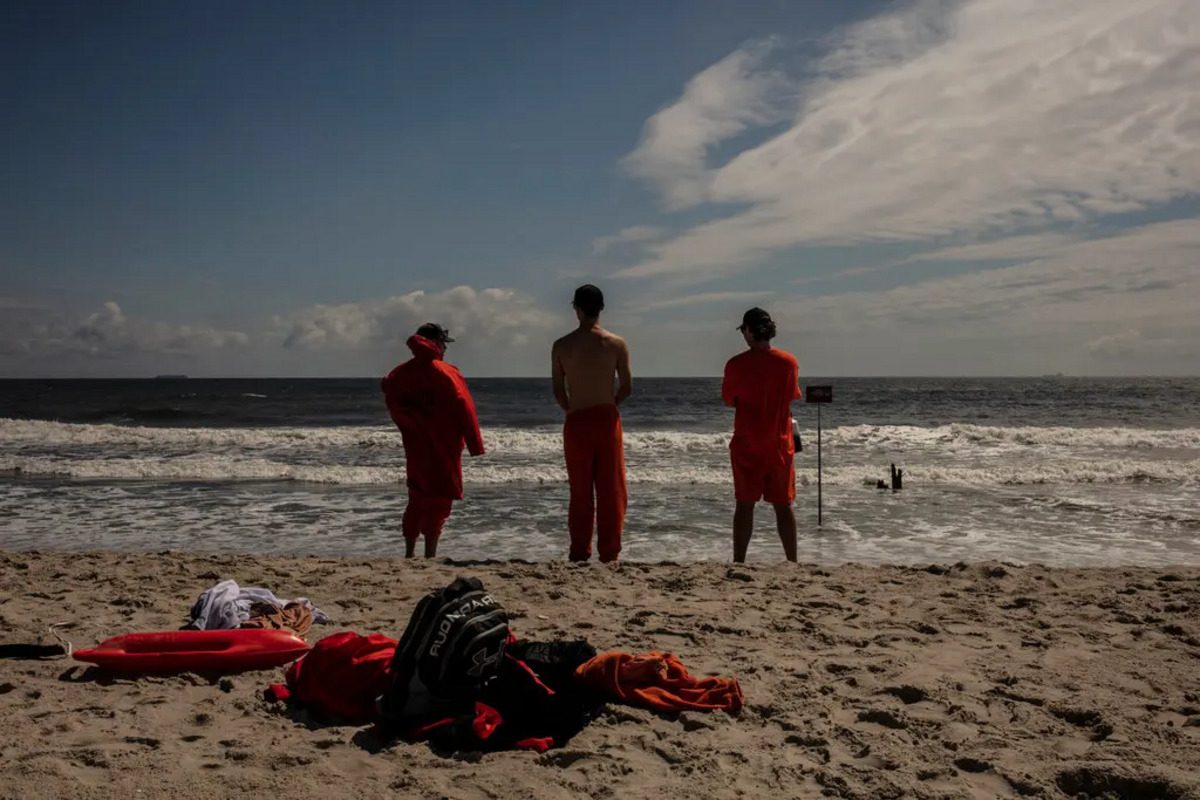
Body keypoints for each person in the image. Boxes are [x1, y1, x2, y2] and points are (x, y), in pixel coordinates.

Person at [381, 323, 485, 558]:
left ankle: (409, 554)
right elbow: (465, 406)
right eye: (443, 344)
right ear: (436, 343)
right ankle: (430, 554)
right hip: (444, 445)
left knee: (416, 497)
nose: (445, 349)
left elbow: (391, 397)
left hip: (416, 445)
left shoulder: (401, 372)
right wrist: (475, 444)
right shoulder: (446, 371)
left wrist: (410, 424)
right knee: (440, 499)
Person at [551, 284, 632, 563]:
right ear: (601, 309)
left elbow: (558, 391)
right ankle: (609, 553)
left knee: (580, 491)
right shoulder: (616, 343)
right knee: (611, 489)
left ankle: (579, 551)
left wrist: (572, 408)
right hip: (606, 419)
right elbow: (626, 387)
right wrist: (609, 404)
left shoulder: (562, 346)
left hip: (577, 420)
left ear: (577, 309)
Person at [721, 308, 801, 563]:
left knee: (744, 505)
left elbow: (730, 400)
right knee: (783, 506)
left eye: (743, 331)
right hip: (779, 443)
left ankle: (739, 561)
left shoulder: (736, 365)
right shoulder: (789, 363)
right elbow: (790, 396)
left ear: (748, 331)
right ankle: (792, 561)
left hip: (747, 443)